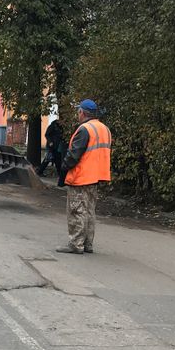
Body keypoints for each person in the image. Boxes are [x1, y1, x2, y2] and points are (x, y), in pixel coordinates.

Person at [56, 99, 111, 254]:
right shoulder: (104, 129)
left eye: (78, 111)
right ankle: (88, 244)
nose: (78, 114)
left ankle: (76, 244)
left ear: (82, 112)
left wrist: (64, 167)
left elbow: (74, 155)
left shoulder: (85, 129)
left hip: (81, 176)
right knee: (89, 211)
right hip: (96, 177)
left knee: (76, 210)